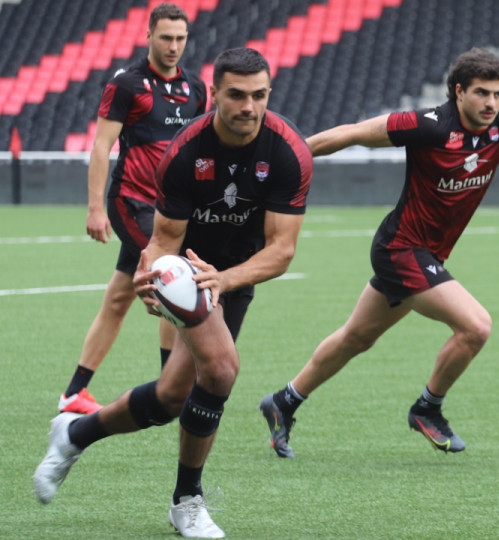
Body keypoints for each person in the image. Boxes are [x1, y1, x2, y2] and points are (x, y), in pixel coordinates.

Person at [34, 47, 313, 539]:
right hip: (188, 272)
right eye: (236, 95)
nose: (248, 106)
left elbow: (282, 251)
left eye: (259, 95)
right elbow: (164, 240)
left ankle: (74, 433)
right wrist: (155, 279)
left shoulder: (288, 151)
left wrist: (225, 280)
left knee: (169, 398)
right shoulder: (184, 152)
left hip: (237, 274)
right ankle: (187, 500)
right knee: (222, 368)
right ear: (215, 94)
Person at [258, 47, 499, 458]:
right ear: (459, 91)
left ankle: (284, 401)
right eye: (482, 93)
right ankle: (427, 408)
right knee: (476, 327)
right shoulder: (429, 125)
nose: (491, 103)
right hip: (400, 249)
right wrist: (288, 158)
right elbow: (352, 133)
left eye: (498, 94)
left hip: (426, 253)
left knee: (355, 338)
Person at [59, 2, 206, 415]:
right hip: (131, 202)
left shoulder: (196, 89)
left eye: (180, 38)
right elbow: (102, 146)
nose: (173, 46)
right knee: (174, 276)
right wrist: (95, 209)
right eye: (166, 37)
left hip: (170, 210)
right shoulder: (127, 84)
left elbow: (195, 152)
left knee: (119, 298)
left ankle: (74, 392)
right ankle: (171, 387)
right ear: (149, 36)